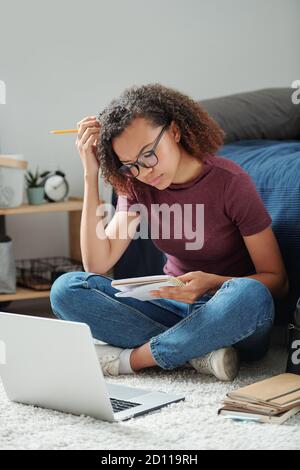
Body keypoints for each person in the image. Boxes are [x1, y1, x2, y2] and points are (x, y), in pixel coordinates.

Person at [50, 83, 289, 381]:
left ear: (174, 132)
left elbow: (277, 282)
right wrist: (90, 173)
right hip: (171, 306)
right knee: (67, 289)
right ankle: (199, 353)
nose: (145, 171)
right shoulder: (136, 185)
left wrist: (211, 284)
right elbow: (97, 264)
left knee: (251, 294)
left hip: (228, 312)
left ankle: (135, 360)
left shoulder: (230, 182)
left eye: (149, 154)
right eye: (131, 165)